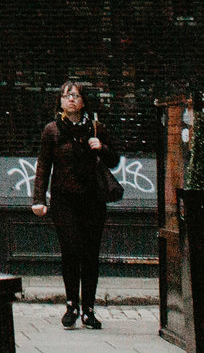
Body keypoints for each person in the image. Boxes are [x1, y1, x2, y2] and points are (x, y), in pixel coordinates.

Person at [31, 79, 121, 331]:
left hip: (92, 200)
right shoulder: (52, 130)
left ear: (83, 101)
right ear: (60, 101)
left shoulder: (96, 128)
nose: (70, 99)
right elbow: (43, 167)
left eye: (75, 95)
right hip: (64, 201)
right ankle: (72, 305)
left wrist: (100, 147)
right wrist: (38, 199)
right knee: (71, 250)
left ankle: (89, 310)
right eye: (66, 95)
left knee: (90, 254)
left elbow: (114, 160)